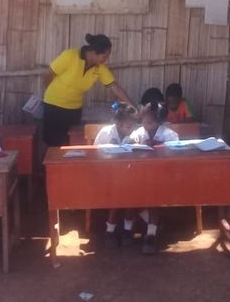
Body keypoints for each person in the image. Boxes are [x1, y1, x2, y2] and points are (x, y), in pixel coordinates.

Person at [42, 34, 136, 147]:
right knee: (50, 143)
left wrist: (133, 108)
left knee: (69, 143)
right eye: (105, 56)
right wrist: (52, 93)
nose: (106, 59)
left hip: (74, 109)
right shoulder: (70, 55)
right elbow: (49, 74)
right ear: (95, 52)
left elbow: (115, 87)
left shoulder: (100, 68)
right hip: (54, 105)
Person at [127, 101, 179, 254]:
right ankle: (153, 224)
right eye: (142, 121)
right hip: (140, 176)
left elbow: (176, 152)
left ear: (159, 122)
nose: (144, 124)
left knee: (154, 195)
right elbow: (127, 143)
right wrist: (132, 142)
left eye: (149, 122)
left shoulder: (169, 134)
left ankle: (150, 234)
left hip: (162, 177)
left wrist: (159, 146)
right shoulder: (140, 132)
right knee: (130, 193)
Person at [93, 103, 139, 248]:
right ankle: (110, 230)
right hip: (107, 175)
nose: (132, 129)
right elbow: (94, 154)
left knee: (130, 191)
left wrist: (134, 145)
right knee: (118, 192)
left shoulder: (135, 134)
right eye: (128, 126)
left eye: (133, 125)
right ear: (118, 124)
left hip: (129, 176)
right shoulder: (106, 132)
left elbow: (141, 155)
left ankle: (127, 229)